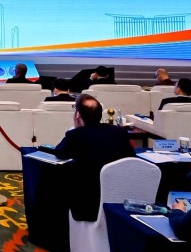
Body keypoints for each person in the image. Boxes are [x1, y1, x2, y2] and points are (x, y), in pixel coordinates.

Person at [51, 93, 135, 221]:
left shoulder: (75, 135)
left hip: (87, 203)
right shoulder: (119, 132)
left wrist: (76, 128)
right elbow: (131, 157)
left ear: (78, 115)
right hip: (120, 199)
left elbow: (59, 152)